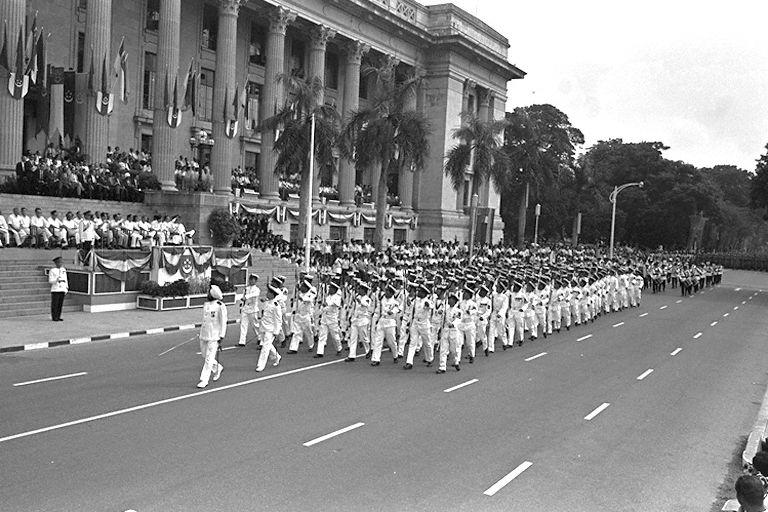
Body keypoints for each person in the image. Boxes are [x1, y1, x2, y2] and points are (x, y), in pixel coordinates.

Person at [197, 285, 227, 388]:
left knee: (209, 359)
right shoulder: (206, 304)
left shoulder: (220, 306)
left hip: (214, 336)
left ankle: (204, 380)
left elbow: (223, 321)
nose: (207, 294)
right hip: (204, 334)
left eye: (209, 292)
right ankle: (218, 367)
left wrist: (222, 335)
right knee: (204, 355)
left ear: (213, 294)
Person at [256, 284, 283, 372]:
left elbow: (278, 319)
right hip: (263, 327)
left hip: (270, 329)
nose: (267, 293)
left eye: (269, 292)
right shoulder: (267, 302)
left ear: (272, 294)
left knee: (265, 347)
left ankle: (261, 365)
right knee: (267, 345)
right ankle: (277, 356)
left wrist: (276, 331)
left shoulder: (276, 305)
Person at [238, 274, 260, 347]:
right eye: (250, 279)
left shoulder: (257, 289)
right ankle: (242, 341)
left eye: (253, 279)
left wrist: (246, 297)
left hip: (253, 309)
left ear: (256, 281)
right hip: (245, 309)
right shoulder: (246, 288)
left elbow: (254, 295)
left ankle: (260, 338)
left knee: (255, 325)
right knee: (243, 325)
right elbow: (243, 297)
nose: (251, 281)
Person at [48, 256, 68, 321]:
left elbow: (65, 279)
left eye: (61, 262)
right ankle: (54, 317)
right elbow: (50, 281)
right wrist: (56, 280)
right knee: (55, 304)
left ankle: (58, 316)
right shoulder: (52, 270)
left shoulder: (63, 270)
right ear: (56, 263)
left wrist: (66, 288)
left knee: (60, 304)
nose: (60, 264)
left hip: (62, 288)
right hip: (56, 289)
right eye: (59, 262)